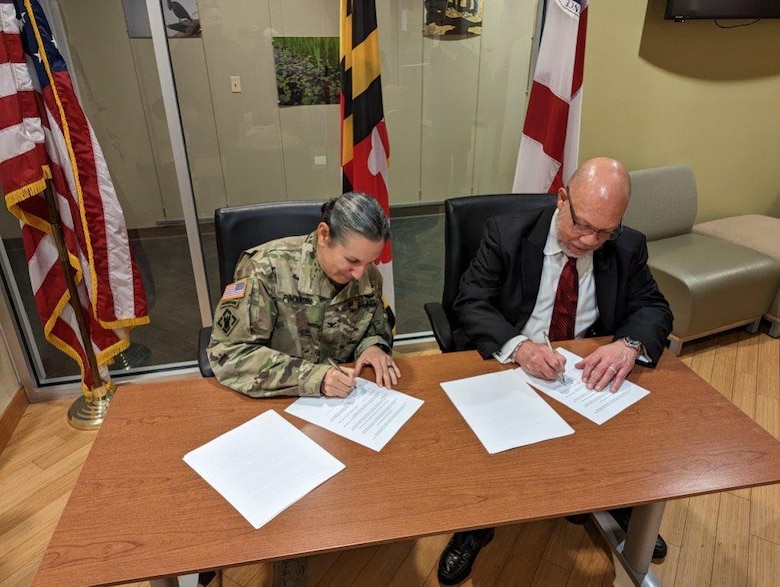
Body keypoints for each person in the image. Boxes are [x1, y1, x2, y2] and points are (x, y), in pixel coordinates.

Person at [437, 157, 674, 585]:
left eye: (605, 231)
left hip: (583, 372)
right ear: (562, 199)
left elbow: (654, 308)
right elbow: (469, 301)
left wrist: (627, 344)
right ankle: (477, 522)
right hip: (514, 367)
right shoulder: (505, 233)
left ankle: (615, 503)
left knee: (626, 432)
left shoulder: (627, 245)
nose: (589, 240)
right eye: (582, 225)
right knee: (488, 444)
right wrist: (519, 347)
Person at [207, 191, 400, 398]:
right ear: (324, 235)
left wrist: (371, 347)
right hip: (278, 400)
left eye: (369, 262)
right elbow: (229, 354)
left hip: (345, 398)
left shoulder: (368, 277)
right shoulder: (265, 269)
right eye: (352, 261)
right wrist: (316, 378)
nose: (360, 273)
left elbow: (373, 328)